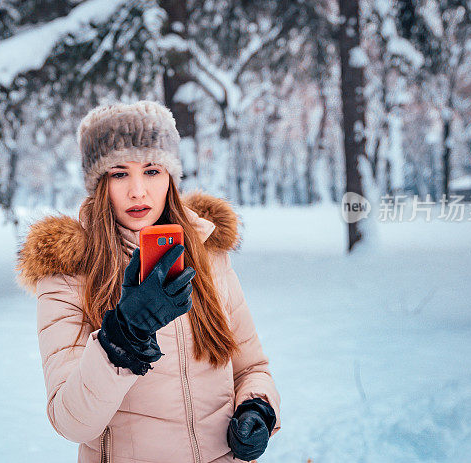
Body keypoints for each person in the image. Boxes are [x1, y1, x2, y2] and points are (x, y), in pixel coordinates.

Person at [16, 100, 281, 462]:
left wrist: (257, 409)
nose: (138, 191)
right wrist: (122, 336)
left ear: (170, 177)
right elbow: (72, 422)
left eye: (152, 170)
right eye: (120, 173)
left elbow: (251, 368)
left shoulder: (209, 254)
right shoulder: (69, 272)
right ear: (99, 184)